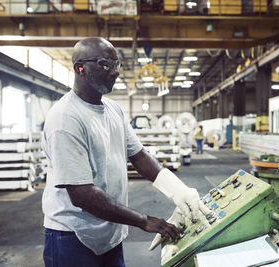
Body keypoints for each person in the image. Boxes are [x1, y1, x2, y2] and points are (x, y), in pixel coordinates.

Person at [41, 37, 210, 267]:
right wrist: (143, 221)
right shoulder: (65, 118)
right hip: (72, 237)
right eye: (105, 64)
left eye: (117, 64)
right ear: (80, 68)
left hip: (109, 234)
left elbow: (139, 157)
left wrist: (180, 192)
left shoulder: (113, 110)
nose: (115, 72)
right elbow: (82, 194)